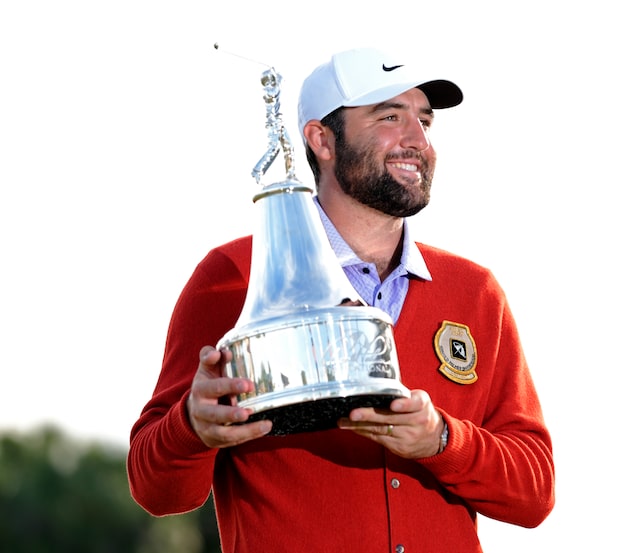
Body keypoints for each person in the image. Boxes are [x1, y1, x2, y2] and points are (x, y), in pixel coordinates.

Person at [128, 46, 555, 553]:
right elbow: (156, 490)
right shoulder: (233, 275)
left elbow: (535, 493)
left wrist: (441, 440)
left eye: (424, 120)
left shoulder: (475, 291)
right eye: (389, 117)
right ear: (322, 140)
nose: (417, 140)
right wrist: (191, 427)